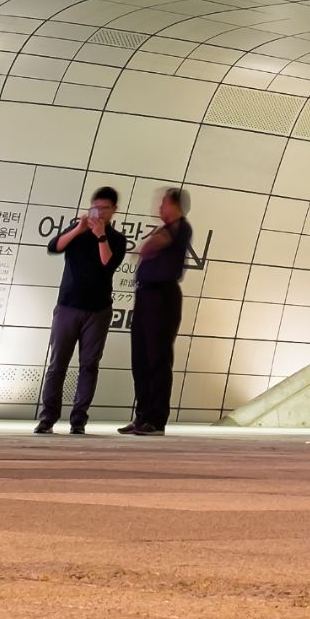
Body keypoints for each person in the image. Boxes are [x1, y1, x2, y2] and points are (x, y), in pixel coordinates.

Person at [36, 186, 122, 435]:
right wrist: (79, 229)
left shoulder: (116, 239)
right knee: (57, 365)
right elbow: (54, 246)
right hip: (68, 307)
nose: (99, 213)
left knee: (89, 365)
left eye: (105, 208)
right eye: (95, 207)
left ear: (114, 210)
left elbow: (108, 264)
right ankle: (47, 418)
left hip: (98, 311)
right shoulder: (78, 231)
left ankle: (78, 420)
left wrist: (101, 235)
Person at [118, 186, 197, 436]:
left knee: (157, 357)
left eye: (164, 203)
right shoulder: (165, 230)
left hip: (163, 297)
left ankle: (156, 418)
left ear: (176, 206)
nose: (159, 207)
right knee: (140, 357)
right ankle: (142, 415)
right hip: (145, 295)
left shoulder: (180, 227)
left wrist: (148, 245)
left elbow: (148, 248)